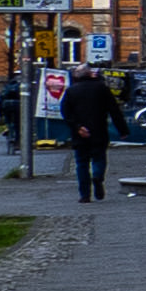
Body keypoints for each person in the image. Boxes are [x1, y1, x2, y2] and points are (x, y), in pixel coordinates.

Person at [59, 61, 118, 206]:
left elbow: (65, 112)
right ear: (91, 74)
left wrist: (77, 127)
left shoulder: (71, 91)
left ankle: (85, 195)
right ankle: (97, 177)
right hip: (99, 131)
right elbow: (114, 109)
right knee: (99, 158)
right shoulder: (102, 88)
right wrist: (123, 130)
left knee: (81, 163)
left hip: (79, 133)